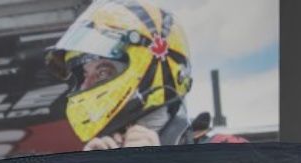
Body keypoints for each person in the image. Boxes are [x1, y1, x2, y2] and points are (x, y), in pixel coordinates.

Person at [46, 1, 192, 151]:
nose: (85, 86)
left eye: (102, 73)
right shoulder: (101, 151)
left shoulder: (210, 152)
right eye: (84, 74)